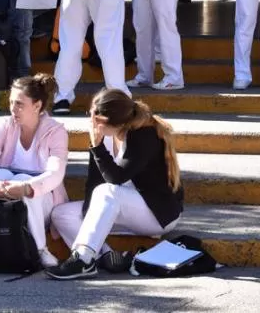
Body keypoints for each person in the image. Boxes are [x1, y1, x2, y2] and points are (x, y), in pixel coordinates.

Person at [47, 89, 183, 280]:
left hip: (156, 215)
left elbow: (116, 178)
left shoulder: (144, 135)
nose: (91, 122)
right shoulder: (106, 135)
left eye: (95, 118)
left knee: (107, 191)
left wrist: (97, 147)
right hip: (120, 208)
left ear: (113, 122)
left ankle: (82, 260)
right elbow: (94, 181)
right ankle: (105, 256)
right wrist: (89, 215)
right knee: (61, 214)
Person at [0, 74, 69, 269]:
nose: (13, 109)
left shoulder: (56, 131)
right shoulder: (5, 126)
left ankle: (39, 249)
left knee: (25, 179)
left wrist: (26, 188)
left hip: (42, 201)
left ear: (37, 105)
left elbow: (55, 173)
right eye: (11, 103)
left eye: (19, 104)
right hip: (7, 199)